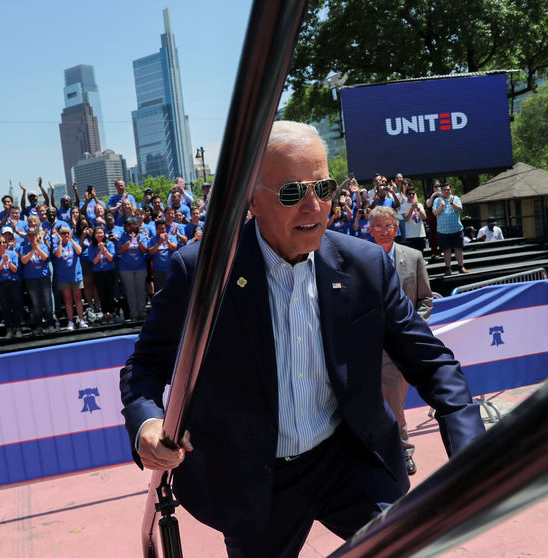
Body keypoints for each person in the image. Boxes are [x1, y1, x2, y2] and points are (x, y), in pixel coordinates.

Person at [119, 120, 484, 557]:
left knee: (409, 548)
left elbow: (432, 363)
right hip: (253, 478)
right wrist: (147, 423)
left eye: (325, 188)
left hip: (349, 457)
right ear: (252, 199)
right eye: (292, 193)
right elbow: (144, 368)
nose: (314, 207)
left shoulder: (366, 265)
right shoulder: (200, 273)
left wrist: (472, 453)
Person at [370, 206, 433, 476]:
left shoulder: (414, 257)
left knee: (394, 400)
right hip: (367, 345)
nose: (385, 230)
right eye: (379, 226)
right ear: (369, 229)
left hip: (400, 346)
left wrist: (412, 330)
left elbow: (426, 300)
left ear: (398, 228)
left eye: (390, 226)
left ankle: (402, 451)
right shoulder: (358, 259)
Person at [52, 225, 89, 331]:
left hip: (76, 275)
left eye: (68, 233)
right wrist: (59, 241)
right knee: (68, 300)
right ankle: (70, 321)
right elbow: (58, 255)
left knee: (78, 298)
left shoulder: (74, 242)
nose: (66, 235)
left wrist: (72, 240)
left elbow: (79, 251)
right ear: (59, 235)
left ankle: (81, 319)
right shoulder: (56, 245)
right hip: (64, 277)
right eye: (63, 233)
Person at [20, 227, 55, 334]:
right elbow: (24, 261)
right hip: (31, 279)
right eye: (30, 235)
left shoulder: (43, 246)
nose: (32, 237)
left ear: (37, 236)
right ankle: (39, 326)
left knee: (48, 302)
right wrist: (32, 250)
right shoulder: (23, 248)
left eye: (34, 235)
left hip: (44, 277)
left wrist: (37, 247)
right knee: (36, 304)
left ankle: (50, 325)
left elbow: (45, 257)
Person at [0, 233, 23, 338]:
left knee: (16, 305)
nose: (2, 244)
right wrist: (1, 264)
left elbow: (15, 270)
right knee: (6, 307)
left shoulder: (12, 254)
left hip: (13, 282)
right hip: (1, 284)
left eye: (4, 242)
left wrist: (8, 261)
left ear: (7, 243)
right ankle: (9, 329)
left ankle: (18, 328)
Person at [116, 216, 149, 321]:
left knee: (140, 291)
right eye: (126, 225)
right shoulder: (122, 237)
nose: (128, 227)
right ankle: (134, 314)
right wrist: (129, 241)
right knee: (130, 292)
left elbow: (145, 250)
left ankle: (142, 313)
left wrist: (139, 242)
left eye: (130, 224)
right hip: (126, 269)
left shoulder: (141, 236)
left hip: (140, 267)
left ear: (135, 225)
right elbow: (120, 250)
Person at [432, 183, 468, 275]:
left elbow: (459, 209)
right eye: (444, 190)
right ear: (441, 191)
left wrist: (452, 203)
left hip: (456, 229)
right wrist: (442, 206)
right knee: (446, 250)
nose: (446, 191)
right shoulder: (437, 200)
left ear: (450, 190)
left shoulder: (456, 198)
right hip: (443, 230)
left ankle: (461, 267)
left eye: (448, 190)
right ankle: (448, 269)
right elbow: (435, 213)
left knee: (458, 249)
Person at [147, 219, 178, 292]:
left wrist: (167, 241)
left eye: (163, 228)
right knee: (160, 291)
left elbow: (174, 248)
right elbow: (151, 252)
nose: (161, 230)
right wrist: (159, 243)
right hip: (158, 270)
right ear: (156, 229)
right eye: (159, 229)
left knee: (171, 290)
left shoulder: (171, 237)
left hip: (170, 269)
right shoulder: (152, 240)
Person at [399, 187, 427, 252]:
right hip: (410, 235)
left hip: (420, 234)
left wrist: (418, 209)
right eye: (409, 194)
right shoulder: (403, 206)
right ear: (406, 195)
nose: (411, 195)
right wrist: (411, 209)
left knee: (421, 253)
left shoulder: (419, 205)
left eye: (413, 194)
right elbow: (406, 219)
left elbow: (424, 217)